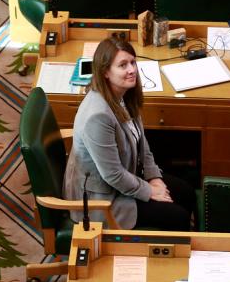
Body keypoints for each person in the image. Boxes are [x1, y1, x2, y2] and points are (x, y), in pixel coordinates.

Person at [63, 37, 195, 230]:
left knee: (187, 193)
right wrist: (150, 190)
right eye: (123, 65)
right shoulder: (98, 116)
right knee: (178, 217)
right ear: (105, 72)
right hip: (104, 198)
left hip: (128, 174)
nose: (132, 70)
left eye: (132, 62)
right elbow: (113, 175)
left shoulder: (124, 95)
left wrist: (154, 177)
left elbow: (143, 145)